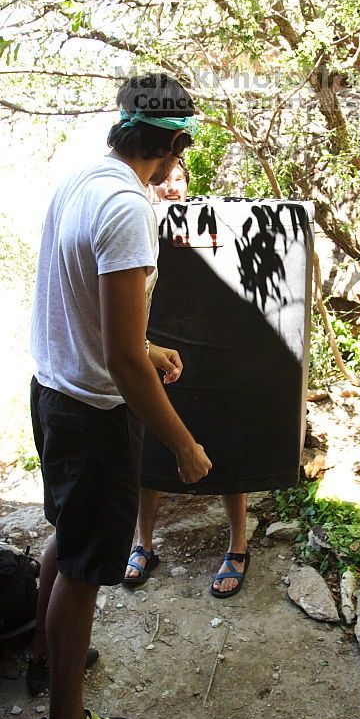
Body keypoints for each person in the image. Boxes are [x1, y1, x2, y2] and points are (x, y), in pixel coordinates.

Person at [29, 73, 212, 719]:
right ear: (173, 142)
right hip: (92, 413)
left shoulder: (84, 180)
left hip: (51, 391)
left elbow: (94, 311)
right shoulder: (130, 209)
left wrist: (146, 345)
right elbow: (121, 362)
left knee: (66, 536)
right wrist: (183, 443)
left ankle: (48, 662)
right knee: (83, 572)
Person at [123, 161, 250, 598]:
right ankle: (143, 544)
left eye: (181, 179)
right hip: (155, 347)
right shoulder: (137, 221)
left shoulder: (210, 221)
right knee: (150, 452)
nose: (172, 187)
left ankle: (238, 545)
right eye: (165, 179)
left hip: (212, 348)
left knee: (223, 441)